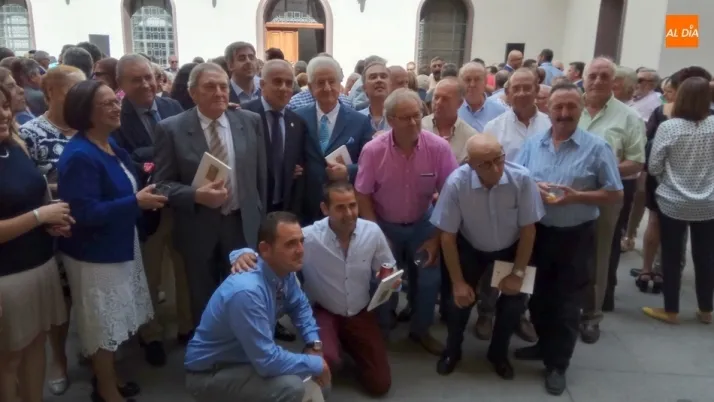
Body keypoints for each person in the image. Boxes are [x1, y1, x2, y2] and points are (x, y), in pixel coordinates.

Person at [230, 182, 396, 396]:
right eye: (340, 207)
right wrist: (240, 254)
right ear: (325, 209)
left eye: (352, 205)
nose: (349, 213)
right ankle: (329, 347)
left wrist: (391, 279)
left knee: (380, 384)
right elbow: (271, 250)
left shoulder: (372, 232)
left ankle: (346, 345)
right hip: (324, 310)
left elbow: (388, 267)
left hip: (359, 312)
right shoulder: (308, 237)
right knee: (325, 362)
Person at [57, 80, 167, 402]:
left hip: (117, 244)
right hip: (95, 255)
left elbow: (129, 179)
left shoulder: (108, 145)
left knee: (114, 320)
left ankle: (109, 378)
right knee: (103, 323)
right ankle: (106, 391)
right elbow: (84, 213)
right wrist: (136, 202)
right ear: (86, 112)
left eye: (115, 101)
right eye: (107, 103)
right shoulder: (80, 155)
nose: (117, 107)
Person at [153, 62, 268, 327]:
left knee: (244, 294)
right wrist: (195, 195)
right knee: (203, 299)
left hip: (241, 225)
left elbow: (261, 177)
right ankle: (208, 346)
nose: (219, 92)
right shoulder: (171, 129)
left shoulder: (250, 121)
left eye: (223, 86)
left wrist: (261, 221)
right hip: (198, 228)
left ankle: (243, 340)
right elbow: (161, 185)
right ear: (193, 93)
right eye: (210, 87)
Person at [184, 212, 330, 402]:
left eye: (301, 241)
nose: (300, 250)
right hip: (212, 372)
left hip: (248, 358)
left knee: (319, 383)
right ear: (265, 249)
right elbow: (267, 361)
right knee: (293, 387)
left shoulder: (283, 270)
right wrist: (315, 363)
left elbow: (299, 306)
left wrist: (314, 344)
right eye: (290, 244)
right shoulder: (247, 291)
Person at [432, 134, 544, 379]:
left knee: (513, 304)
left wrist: (518, 273)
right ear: (470, 164)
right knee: (458, 302)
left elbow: (528, 230)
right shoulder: (457, 183)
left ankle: (498, 353)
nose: (495, 169)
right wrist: (458, 283)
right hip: (471, 245)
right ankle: (452, 350)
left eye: (499, 159)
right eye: (485, 164)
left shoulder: (522, 179)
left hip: (511, 246)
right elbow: (448, 237)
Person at [0, 84, 72, 402]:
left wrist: (48, 224)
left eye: (4, 106)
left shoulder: (14, 146)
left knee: (35, 346)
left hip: (39, 264)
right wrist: (40, 216)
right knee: (8, 361)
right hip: (7, 277)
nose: (3, 114)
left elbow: (30, 196)